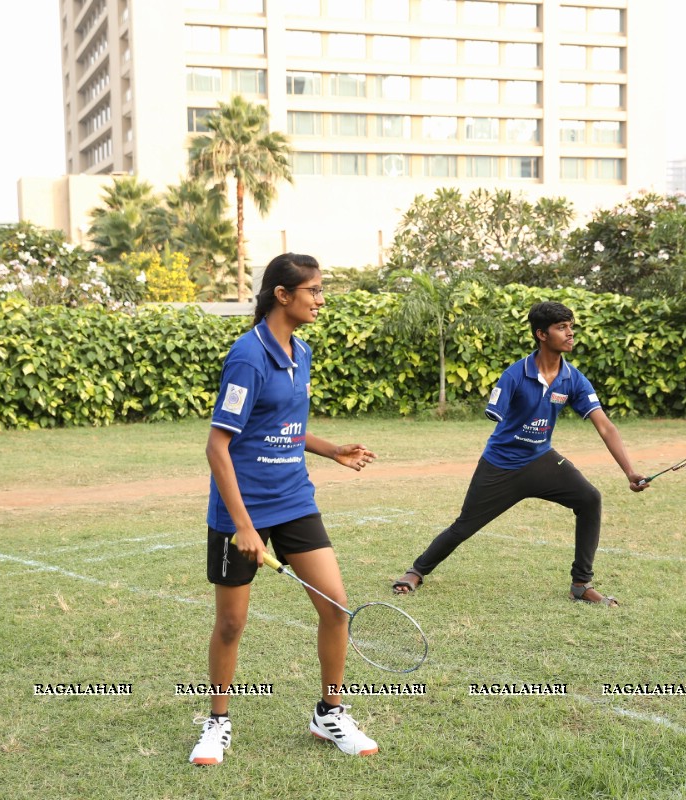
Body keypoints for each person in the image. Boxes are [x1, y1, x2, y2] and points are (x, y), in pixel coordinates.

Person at [191, 253, 380, 765]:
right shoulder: (248, 358)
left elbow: (286, 427)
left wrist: (331, 449)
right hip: (241, 511)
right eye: (314, 291)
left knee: (336, 607)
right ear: (282, 294)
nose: (321, 300)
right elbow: (218, 447)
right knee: (231, 624)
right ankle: (217, 722)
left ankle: (329, 713)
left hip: (294, 498)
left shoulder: (302, 351)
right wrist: (245, 527)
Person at [391, 301, 649, 607]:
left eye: (571, 326)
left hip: (541, 459)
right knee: (465, 525)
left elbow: (605, 427)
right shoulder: (515, 374)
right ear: (541, 334)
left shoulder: (573, 378)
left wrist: (629, 471)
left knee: (589, 498)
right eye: (561, 327)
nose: (570, 333)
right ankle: (416, 571)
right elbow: (496, 412)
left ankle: (581, 585)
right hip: (501, 464)